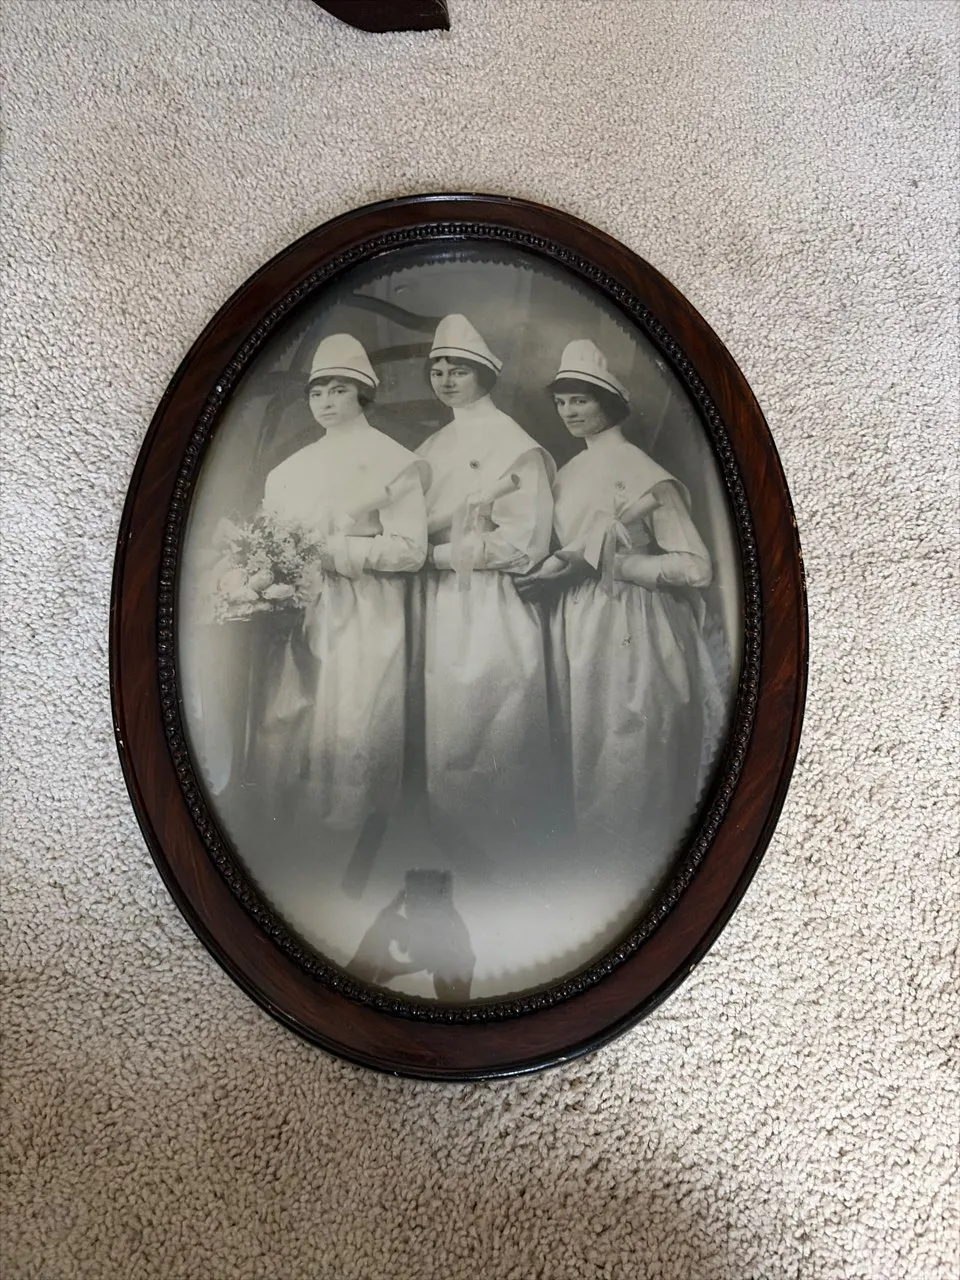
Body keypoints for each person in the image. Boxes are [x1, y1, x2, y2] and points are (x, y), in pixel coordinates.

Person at [516, 339, 724, 872]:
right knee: (585, 747)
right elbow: (572, 547)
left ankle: (643, 871)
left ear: (608, 403)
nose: (570, 411)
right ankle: (598, 871)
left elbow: (696, 567)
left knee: (628, 744)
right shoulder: (566, 473)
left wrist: (624, 565)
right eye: (562, 402)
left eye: (581, 400)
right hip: (576, 623)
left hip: (634, 622)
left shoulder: (642, 470)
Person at [256, 333, 430, 842]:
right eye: (317, 392)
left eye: (338, 390)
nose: (326, 402)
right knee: (291, 713)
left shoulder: (394, 462)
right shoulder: (287, 471)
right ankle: (285, 835)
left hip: (366, 607)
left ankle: (353, 836)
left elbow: (410, 549)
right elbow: (270, 540)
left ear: (362, 394)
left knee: (357, 714)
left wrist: (338, 552)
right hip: (301, 605)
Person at [413, 314, 557, 863]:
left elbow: (523, 543)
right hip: (435, 599)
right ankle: (451, 853)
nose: (446, 380)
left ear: (484, 374)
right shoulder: (433, 444)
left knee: (488, 721)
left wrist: (434, 556)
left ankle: (504, 858)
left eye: (459, 370)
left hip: (491, 602)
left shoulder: (513, 443)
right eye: (438, 370)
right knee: (442, 732)